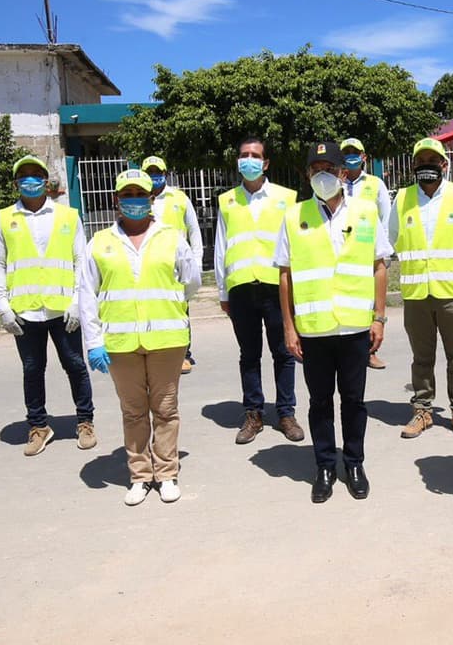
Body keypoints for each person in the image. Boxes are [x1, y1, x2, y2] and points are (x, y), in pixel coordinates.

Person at [277, 141, 391, 503]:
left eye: (329, 169)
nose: (323, 175)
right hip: (314, 329)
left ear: (343, 172)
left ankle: (354, 463)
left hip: (355, 328)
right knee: (320, 402)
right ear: (307, 175)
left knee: (354, 401)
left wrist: (379, 317)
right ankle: (325, 465)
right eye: (316, 169)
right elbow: (285, 274)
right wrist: (289, 327)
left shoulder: (366, 212)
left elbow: (379, 266)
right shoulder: (294, 217)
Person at [79, 168, 201, 505]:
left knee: (165, 409)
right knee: (133, 411)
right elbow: (87, 294)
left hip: (166, 340)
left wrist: (169, 304)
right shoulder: (99, 242)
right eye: (127, 195)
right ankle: (140, 475)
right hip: (120, 344)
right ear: (116, 199)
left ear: (151, 199)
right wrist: (94, 342)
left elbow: (191, 282)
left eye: (140, 195)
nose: (134, 200)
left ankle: (167, 473)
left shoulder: (172, 238)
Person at [0, 154, 96, 457]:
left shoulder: (68, 216)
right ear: (15, 183)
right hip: (25, 311)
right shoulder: (2, 219)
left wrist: (77, 302)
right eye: (24, 175)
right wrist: (3, 307)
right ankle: (38, 426)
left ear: (46, 181)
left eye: (36, 175)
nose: (31, 180)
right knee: (32, 369)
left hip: (63, 309)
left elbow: (80, 261)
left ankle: (85, 421)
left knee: (75, 366)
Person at [213, 136, 305, 444]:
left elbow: (295, 246)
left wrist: (296, 290)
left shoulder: (286, 197)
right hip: (241, 288)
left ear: (265, 163)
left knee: (283, 352)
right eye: (244, 155)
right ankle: (253, 413)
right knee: (249, 354)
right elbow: (221, 247)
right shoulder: (227, 201)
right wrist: (223, 292)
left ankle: (286, 413)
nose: (248, 160)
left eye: (254, 155)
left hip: (276, 287)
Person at [389, 136, 453, 440]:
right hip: (417, 295)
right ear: (414, 165)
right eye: (421, 161)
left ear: (444, 164)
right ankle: (422, 410)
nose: (426, 165)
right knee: (422, 358)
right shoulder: (402, 198)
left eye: (432, 160)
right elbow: (393, 238)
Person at [143, 155, 203, 375]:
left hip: (176, 265)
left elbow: (194, 230)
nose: (154, 176)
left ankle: (184, 354)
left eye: (157, 172)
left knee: (179, 309)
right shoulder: (140, 199)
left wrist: (196, 262)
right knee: (151, 308)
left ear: (165, 174)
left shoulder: (179, 198)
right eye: (149, 173)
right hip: (149, 264)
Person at [341, 137, 393, 370]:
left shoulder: (375, 183)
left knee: (372, 302)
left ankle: (370, 351)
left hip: (368, 249)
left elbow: (386, 217)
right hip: (344, 250)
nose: (351, 157)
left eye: (355, 152)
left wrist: (385, 251)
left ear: (364, 157)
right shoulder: (336, 182)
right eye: (346, 153)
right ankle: (350, 349)